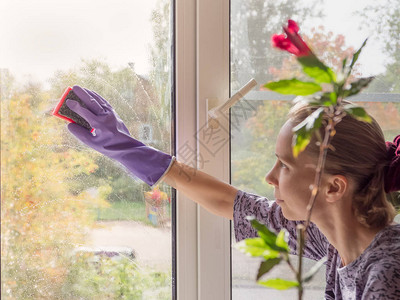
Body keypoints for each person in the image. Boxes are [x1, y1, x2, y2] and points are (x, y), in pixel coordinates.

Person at [65, 85, 400, 299]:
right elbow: (234, 203)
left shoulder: (387, 273)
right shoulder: (335, 239)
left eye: (284, 165)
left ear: (332, 187)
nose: (270, 177)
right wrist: (127, 149)